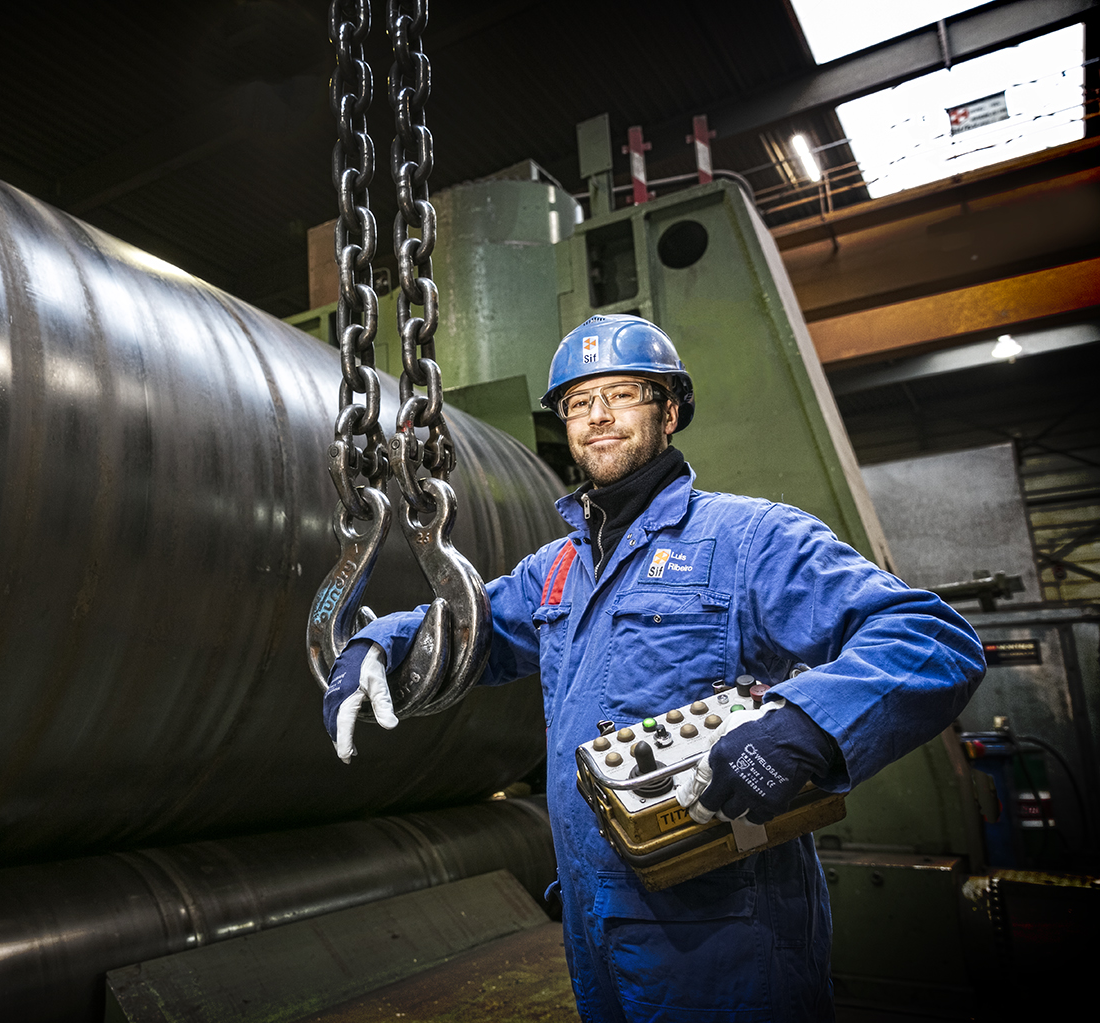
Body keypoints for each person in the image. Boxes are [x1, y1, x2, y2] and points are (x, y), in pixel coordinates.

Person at [323, 314, 985, 1022]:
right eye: (578, 402)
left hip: (721, 928)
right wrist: (379, 642)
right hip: (592, 918)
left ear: (668, 411)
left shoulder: (749, 537)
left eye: (622, 394)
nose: (597, 416)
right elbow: (466, 629)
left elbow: (929, 637)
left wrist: (805, 727)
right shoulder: (557, 570)